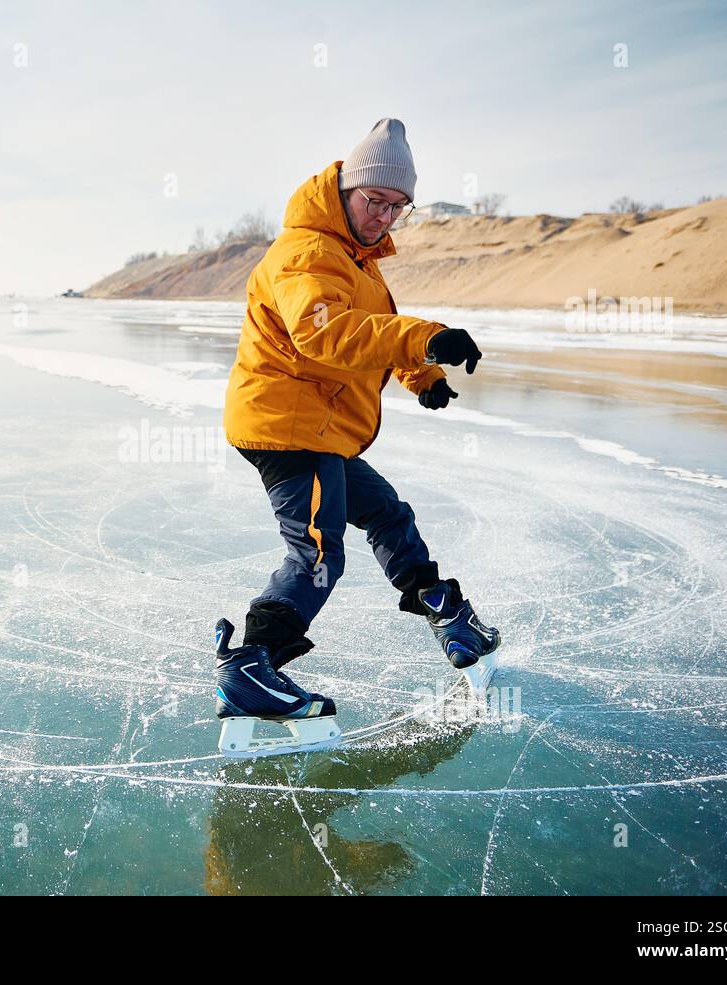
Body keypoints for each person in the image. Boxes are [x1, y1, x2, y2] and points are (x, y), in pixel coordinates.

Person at [213, 118, 500, 733]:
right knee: (318, 552)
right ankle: (251, 666)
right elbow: (325, 333)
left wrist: (422, 375)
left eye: (400, 207)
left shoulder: (358, 261)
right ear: (345, 188)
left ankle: (440, 606)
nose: (385, 218)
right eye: (376, 202)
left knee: (387, 513)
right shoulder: (308, 252)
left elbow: (368, 332)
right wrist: (428, 336)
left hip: (320, 429)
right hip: (288, 427)